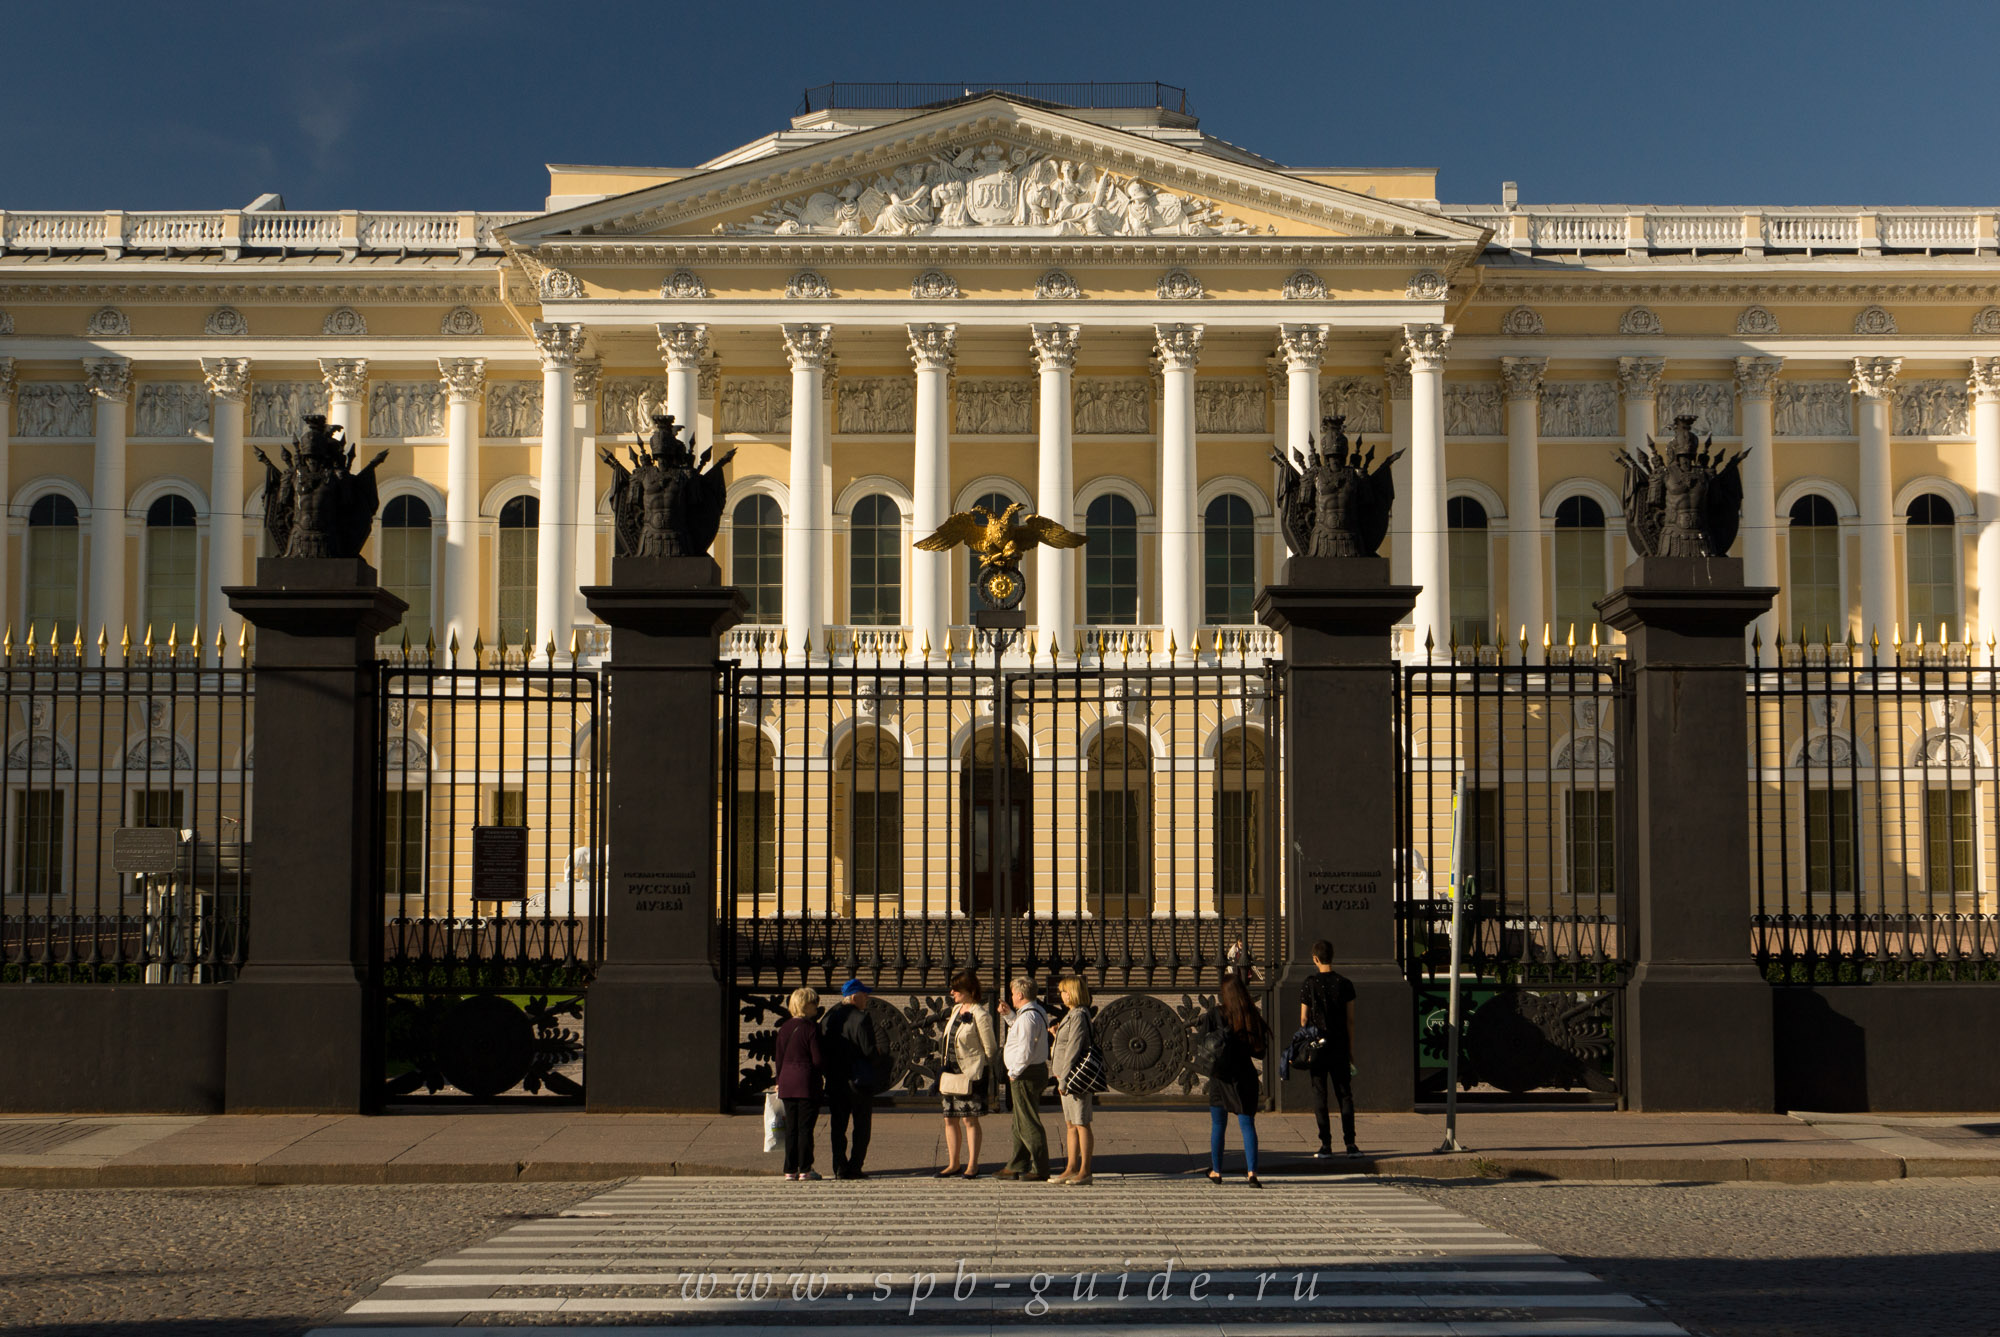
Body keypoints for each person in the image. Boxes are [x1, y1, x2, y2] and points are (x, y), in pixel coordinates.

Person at [1204, 973, 1269, 1188]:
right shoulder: (1250, 1014)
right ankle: (1252, 1173)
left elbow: (1206, 1044)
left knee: (1218, 1125)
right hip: (1244, 1075)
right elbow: (1260, 1052)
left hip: (1222, 1076)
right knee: (1247, 1124)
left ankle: (1217, 1170)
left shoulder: (1216, 1014)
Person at [1300, 938, 1360, 1157]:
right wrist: (1350, 1050)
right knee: (1344, 1095)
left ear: (1315, 959)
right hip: (1339, 1045)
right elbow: (1350, 1021)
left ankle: (1325, 1144)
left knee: (1320, 1094)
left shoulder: (1309, 983)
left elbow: (1304, 1020)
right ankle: (1350, 1143)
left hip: (1318, 1046)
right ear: (1331, 957)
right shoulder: (1345, 984)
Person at [937, 969, 998, 1178]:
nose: (952, 991)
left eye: (957, 989)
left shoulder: (981, 1015)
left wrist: (978, 1066)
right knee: (950, 1119)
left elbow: (990, 1048)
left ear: (970, 991)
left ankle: (972, 1164)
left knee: (969, 1120)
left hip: (970, 1076)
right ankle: (953, 1162)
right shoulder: (956, 1010)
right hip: (951, 1075)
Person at [819, 978, 880, 1180]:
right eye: (864, 994)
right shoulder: (861, 1019)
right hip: (858, 1082)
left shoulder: (829, 1018)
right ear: (854, 997)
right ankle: (855, 1166)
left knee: (838, 1126)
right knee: (861, 1126)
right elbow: (869, 1050)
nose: (867, 998)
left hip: (836, 1081)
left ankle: (839, 1166)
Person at [994, 975, 1051, 1181]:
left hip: (1025, 1074)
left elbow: (1025, 1050)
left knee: (1027, 1121)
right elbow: (1021, 1034)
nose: (1011, 997)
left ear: (1019, 994)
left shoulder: (1028, 1017)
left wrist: (1013, 1072)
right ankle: (1017, 1163)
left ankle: (1040, 1167)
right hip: (1030, 1072)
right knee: (1020, 1121)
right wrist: (1009, 1016)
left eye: (1012, 993)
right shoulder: (1033, 1012)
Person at [772, 986, 824, 1180]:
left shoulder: (784, 1028)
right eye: (814, 1004)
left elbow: (779, 1058)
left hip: (786, 1082)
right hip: (806, 1083)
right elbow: (817, 1059)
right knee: (805, 1129)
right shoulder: (811, 1028)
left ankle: (789, 1169)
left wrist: (779, 1080)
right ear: (806, 1005)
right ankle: (805, 1168)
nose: (816, 1008)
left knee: (791, 1129)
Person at [1049, 975, 1096, 1185]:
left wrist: (1064, 1078)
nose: (1061, 995)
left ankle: (1085, 1170)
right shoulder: (1072, 1014)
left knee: (1081, 1122)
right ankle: (1070, 1167)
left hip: (1075, 1077)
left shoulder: (1078, 1014)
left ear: (1073, 992)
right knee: (1070, 1124)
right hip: (1065, 1075)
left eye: (1064, 991)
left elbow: (1074, 1048)